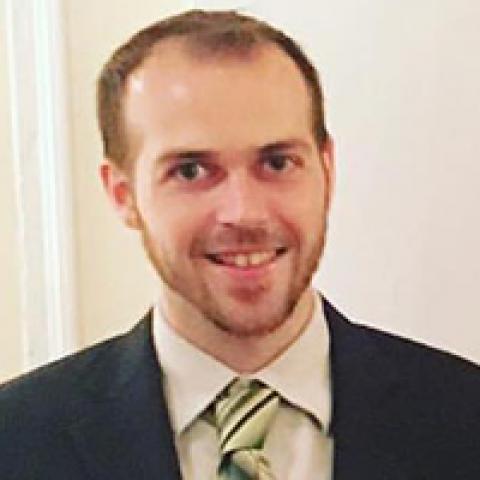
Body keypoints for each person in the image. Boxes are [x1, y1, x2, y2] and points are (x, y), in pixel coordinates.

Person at [1, 9, 479, 480]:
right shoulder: (16, 441)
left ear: (327, 170)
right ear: (122, 194)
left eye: (277, 163)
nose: (245, 212)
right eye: (191, 171)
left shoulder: (463, 418)